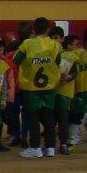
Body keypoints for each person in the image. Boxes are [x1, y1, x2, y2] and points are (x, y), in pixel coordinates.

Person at [14, 18, 62, 159]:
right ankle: (50, 147)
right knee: (49, 118)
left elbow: (16, 60)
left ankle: (35, 147)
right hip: (50, 86)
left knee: (33, 117)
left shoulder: (27, 44)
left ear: (33, 29)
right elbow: (58, 62)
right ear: (48, 30)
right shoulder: (55, 45)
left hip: (31, 87)